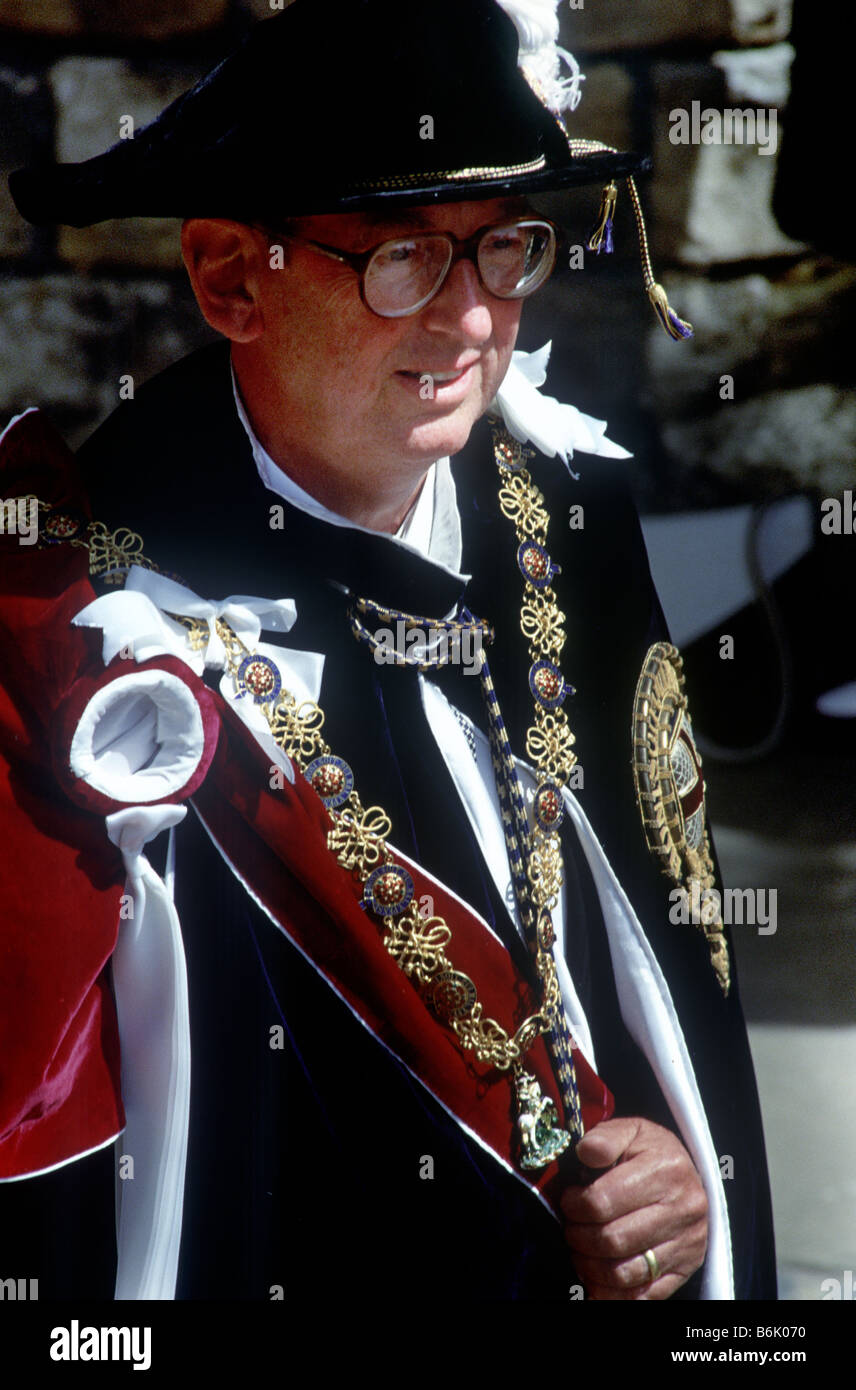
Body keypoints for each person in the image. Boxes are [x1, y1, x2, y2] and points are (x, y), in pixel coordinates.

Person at [0, 0, 775, 1301]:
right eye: (404, 257)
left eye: (507, 251)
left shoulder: (570, 518)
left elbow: (665, 937)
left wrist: (676, 1160)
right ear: (233, 279)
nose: (474, 322)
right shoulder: (95, 616)